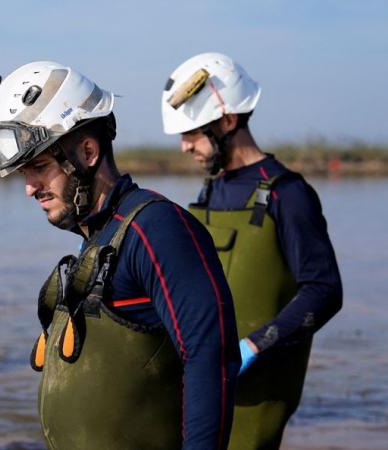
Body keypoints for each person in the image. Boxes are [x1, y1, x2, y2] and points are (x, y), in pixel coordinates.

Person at [0, 61, 240, 449]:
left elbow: (209, 358)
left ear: (88, 150)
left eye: (39, 168)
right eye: (23, 174)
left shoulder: (155, 229)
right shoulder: (100, 237)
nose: (29, 188)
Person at [161, 52, 343, 449]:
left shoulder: (289, 195)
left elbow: (324, 291)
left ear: (227, 121)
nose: (184, 147)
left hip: (256, 389)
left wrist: (257, 345)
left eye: (191, 133)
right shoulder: (211, 190)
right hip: (201, 385)